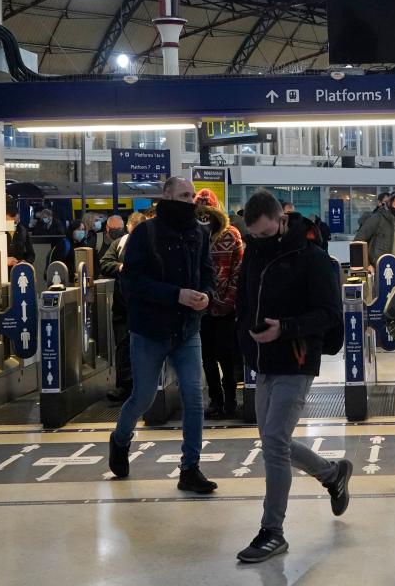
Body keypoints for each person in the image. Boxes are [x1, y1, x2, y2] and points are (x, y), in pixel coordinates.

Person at [235, 190, 352, 563]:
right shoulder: (253, 251)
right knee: (274, 441)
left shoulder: (313, 258)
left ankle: (273, 532)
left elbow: (330, 314)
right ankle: (332, 475)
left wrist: (283, 328)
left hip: (296, 358)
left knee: (273, 441)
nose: (261, 242)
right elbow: (245, 299)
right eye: (255, 236)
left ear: (282, 219)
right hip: (262, 358)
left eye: (267, 234)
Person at [107, 176, 218, 495]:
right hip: (150, 330)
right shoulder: (145, 233)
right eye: (185, 195)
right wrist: (175, 295)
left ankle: (190, 468)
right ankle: (120, 438)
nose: (191, 200)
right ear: (166, 196)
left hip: (187, 329)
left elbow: (207, 273)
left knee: (195, 398)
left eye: (193, 196)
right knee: (143, 397)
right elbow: (132, 283)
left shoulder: (200, 232)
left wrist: (206, 295)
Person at [196, 190, 244, 419]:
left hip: (225, 308)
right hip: (201, 308)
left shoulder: (231, 235)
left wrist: (228, 299)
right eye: (200, 213)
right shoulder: (193, 235)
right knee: (207, 356)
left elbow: (238, 270)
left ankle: (231, 399)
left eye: (208, 213)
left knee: (226, 355)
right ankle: (216, 400)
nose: (204, 218)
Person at [355, 192, 395, 356]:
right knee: (378, 307)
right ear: (389, 204)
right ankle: (378, 341)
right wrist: (368, 265)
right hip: (380, 271)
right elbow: (359, 240)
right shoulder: (377, 219)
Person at [101, 212, 145, 403]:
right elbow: (105, 263)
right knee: (123, 345)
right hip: (123, 305)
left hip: (145, 305)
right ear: (129, 227)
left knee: (144, 346)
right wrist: (119, 267)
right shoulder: (119, 244)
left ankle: (144, 385)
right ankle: (125, 386)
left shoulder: (151, 243)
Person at [6, 200, 35, 270]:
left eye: (16, 222)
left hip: (19, 270)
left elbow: (31, 253)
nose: (14, 225)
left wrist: (26, 262)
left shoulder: (23, 230)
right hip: (1, 271)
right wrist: (3, 261)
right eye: (10, 222)